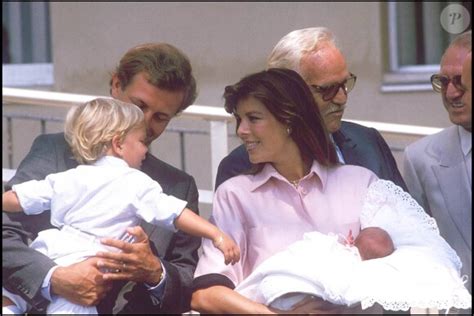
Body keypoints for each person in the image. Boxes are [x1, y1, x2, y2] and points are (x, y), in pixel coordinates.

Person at [3, 43, 201, 314]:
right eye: (139, 105)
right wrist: (55, 279)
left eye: (160, 117)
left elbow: (186, 280)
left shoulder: (179, 187)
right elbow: (5, 231)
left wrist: (155, 272)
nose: (144, 121)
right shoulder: (54, 152)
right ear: (116, 85)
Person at [2, 98, 240, 314]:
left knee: (10, 294)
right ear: (118, 144)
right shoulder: (135, 181)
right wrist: (216, 234)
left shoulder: (68, 176)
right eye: (141, 141)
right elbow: (176, 214)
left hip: (50, 249)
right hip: (89, 263)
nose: (146, 149)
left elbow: (16, 199)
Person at [191, 68, 388, 314]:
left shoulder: (361, 183)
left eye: (253, 118)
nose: (241, 130)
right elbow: (205, 295)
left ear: (289, 121)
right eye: (239, 119)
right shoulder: (235, 195)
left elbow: (396, 268)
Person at [215, 27, 407, 193]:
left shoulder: (368, 142)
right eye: (327, 89)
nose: (342, 98)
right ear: (287, 92)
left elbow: (410, 223)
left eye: (345, 83)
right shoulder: (238, 168)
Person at [234, 180, 471, 312]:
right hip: (288, 294)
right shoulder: (336, 250)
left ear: (350, 239)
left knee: (289, 275)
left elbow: (338, 280)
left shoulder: (351, 260)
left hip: (302, 289)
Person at [402, 30, 471, 295]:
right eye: (443, 81)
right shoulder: (420, 158)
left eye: (460, 81)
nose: (451, 93)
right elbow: (412, 247)